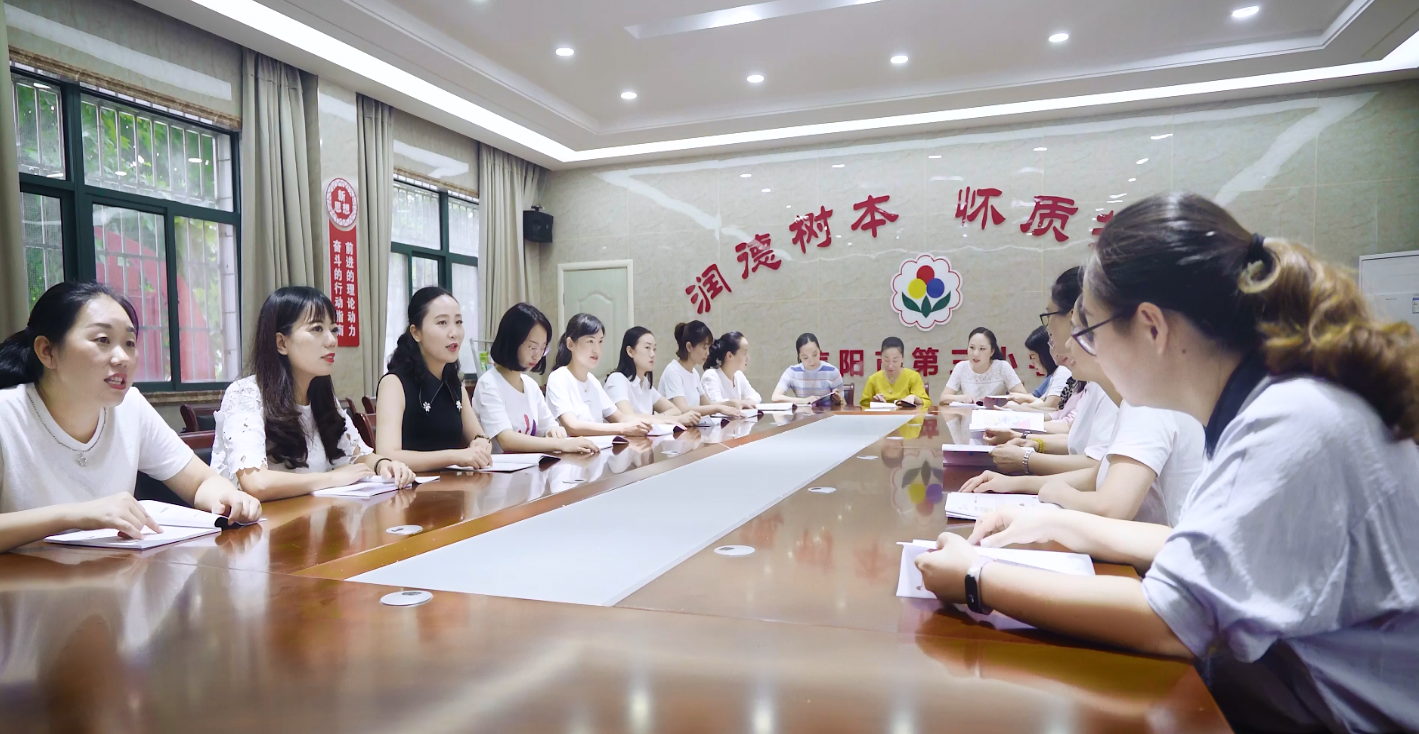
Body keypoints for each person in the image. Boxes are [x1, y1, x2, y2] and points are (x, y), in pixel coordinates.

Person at [916, 193, 1419, 733]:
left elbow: (1169, 620)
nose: (1085, 353)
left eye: (1091, 334)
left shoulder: (1292, 422)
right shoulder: (1270, 402)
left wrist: (977, 576)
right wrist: (1055, 524)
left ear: (1152, 328)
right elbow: (1195, 545)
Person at [0, 282, 260, 553]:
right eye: (103, 340)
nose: (122, 358)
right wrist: (75, 515)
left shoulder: (130, 408)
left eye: (129, 343)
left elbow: (201, 481)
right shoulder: (7, 416)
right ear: (47, 351)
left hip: (111, 573)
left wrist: (227, 497)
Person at [958, 299, 1205, 525]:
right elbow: (1095, 477)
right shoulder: (1131, 401)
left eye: (1078, 331)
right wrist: (1013, 483)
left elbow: (1110, 508)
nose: (1067, 344)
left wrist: (1057, 492)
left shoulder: (1149, 403)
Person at [210, 287, 415, 499]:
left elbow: (359, 457)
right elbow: (256, 483)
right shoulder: (246, 394)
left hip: (307, 514)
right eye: (317, 328)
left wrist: (385, 465)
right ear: (282, 343)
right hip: (253, 519)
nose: (332, 340)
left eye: (334, 329)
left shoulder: (321, 396)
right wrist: (332, 478)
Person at [979, 268, 1118, 476]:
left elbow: (1097, 472)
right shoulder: (1095, 383)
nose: (1067, 343)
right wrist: (1027, 441)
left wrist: (1026, 459)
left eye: (1077, 328)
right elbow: (1074, 437)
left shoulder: (1120, 390)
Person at [374, 287, 493, 472]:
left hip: (453, 485)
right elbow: (387, 454)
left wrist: (482, 443)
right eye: (442, 322)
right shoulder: (394, 384)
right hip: (410, 487)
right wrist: (455, 456)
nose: (454, 333)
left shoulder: (454, 384)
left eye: (458, 322)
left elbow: (479, 436)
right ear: (416, 332)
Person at [470, 303, 599, 455]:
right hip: (500, 468)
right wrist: (561, 444)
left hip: (530, 466)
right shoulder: (489, 383)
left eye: (543, 348)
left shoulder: (530, 385)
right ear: (512, 341)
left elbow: (549, 425)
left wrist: (553, 430)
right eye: (532, 347)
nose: (537, 355)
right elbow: (506, 440)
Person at [545, 313, 654, 438]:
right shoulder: (559, 377)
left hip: (596, 447)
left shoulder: (592, 381)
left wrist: (655, 422)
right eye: (590, 341)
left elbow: (620, 418)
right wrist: (623, 428)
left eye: (600, 341)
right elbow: (573, 426)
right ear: (570, 344)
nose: (597, 349)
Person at [603, 327, 700, 427]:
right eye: (647, 348)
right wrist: (671, 419)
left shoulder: (644, 383)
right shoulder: (617, 380)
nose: (652, 354)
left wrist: (660, 418)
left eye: (654, 349)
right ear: (630, 351)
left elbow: (675, 411)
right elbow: (628, 418)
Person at [660, 321, 745, 417]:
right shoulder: (673, 371)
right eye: (704, 348)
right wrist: (719, 408)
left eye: (708, 348)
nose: (707, 353)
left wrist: (729, 404)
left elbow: (706, 405)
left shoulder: (694, 373)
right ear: (689, 347)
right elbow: (682, 409)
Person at [938, 327, 1027, 402]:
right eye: (972, 347)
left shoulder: (1002, 367)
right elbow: (943, 398)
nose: (975, 354)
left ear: (992, 351)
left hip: (995, 416)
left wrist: (997, 400)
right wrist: (960, 398)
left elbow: (1024, 397)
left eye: (982, 349)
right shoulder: (961, 367)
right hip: (969, 416)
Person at [771, 333, 845, 405]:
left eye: (815, 354)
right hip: (802, 413)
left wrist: (839, 400)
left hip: (827, 413)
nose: (811, 361)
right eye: (805, 357)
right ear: (799, 356)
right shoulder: (792, 372)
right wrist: (804, 401)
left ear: (819, 350)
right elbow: (775, 397)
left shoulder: (832, 371)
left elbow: (844, 403)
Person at [859, 337, 930, 408]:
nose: (890, 365)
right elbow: (863, 405)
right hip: (881, 415)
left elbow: (926, 403)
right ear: (881, 358)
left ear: (902, 358)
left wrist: (914, 398)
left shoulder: (913, 377)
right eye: (886, 360)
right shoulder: (873, 379)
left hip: (906, 415)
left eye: (895, 360)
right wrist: (873, 403)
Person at [702, 331, 761, 409]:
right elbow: (715, 404)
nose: (748, 358)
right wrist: (737, 403)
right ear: (730, 356)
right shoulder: (711, 376)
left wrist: (746, 403)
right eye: (744, 354)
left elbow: (756, 396)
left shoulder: (738, 375)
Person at [1022, 326, 1071, 409]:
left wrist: (1016, 407)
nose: (1032, 363)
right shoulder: (1055, 374)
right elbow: (1041, 401)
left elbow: (1049, 407)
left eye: (1033, 357)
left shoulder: (1063, 371)